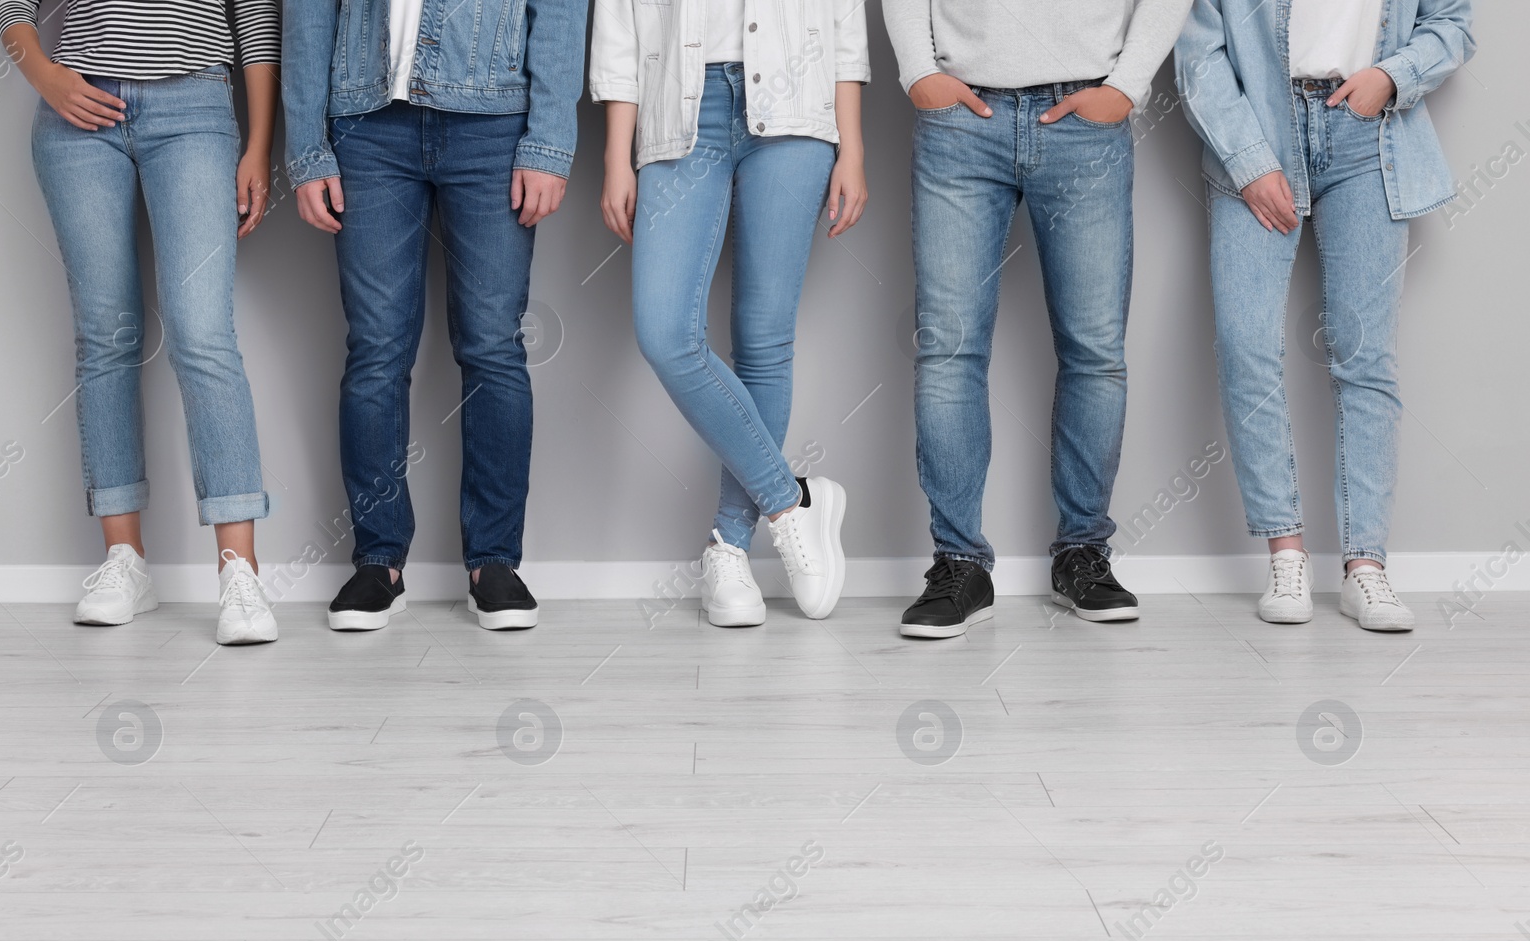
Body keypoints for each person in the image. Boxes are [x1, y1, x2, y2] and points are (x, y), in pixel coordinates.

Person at [883, 0, 1193, 638]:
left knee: (1095, 351)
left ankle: (1083, 553)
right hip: (961, 117)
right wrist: (918, 69)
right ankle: (959, 563)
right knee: (948, 350)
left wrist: (1128, 85)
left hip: (1087, 117)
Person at [283, 0, 587, 631]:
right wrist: (307, 146)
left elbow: (559, 9)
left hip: (494, 123)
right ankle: (378, 561)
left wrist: (552, 138)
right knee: (375, 349)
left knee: (493, 348)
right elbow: (308, 12)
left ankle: (495, 562)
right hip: (366, 125)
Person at [1176, 0, 1475, 631]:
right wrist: (1248, 159)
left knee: (1365, 354)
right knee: (1245, 343)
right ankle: (1285, 554)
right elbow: (1198, 50)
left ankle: (1366, 566)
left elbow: (1451, 22)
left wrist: (1392, 76)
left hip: (1371, 136)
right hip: (1257, 128)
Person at [0, 0, 281, 646]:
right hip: (78, 115)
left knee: (202, 332)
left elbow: (258, 17)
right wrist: (45, 75)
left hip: (196, 111)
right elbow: (11, 7)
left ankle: (240, 569)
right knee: (107, 335)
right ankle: (125, 561)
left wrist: (259, 143)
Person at [590, 0, 868, 625]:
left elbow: (844, 21)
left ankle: (730, 550)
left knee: (764, 340)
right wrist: (616, 155)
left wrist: (852, 146)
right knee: (665, 332)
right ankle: (791, 503)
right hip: (679, 106)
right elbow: (617, 26)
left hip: (798, 102)